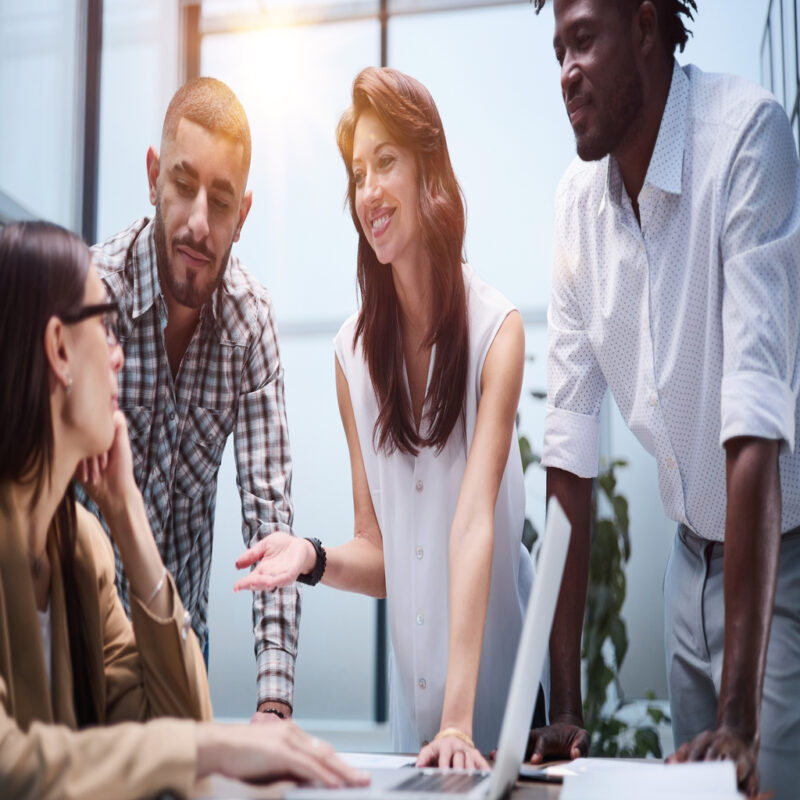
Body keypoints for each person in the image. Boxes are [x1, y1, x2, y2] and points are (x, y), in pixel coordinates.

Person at [527, 2, 800, 798]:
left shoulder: (746, 138)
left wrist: (740, 722)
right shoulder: (577, 208)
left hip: (783, 554)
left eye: (583, 40)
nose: (567, 73)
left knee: (755, 781)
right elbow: (570, 451)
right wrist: (567, 707)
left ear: (645, 27)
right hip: (687, 567)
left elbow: (752, 423)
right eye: (557, 52)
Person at [0, 220, 368, 799]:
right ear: (58, 349)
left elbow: (176, 722)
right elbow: (13, 768)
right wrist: (214, 746)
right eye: (106, 328)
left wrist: (128, 522)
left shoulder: (82, 547)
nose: (119, 357)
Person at [235, 66, 536, 768]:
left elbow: (472, 524)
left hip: (494, 722)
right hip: (420, 736)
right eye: (357, 172)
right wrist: (313, 557)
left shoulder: (500, 333)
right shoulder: (350, 356)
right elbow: (383, 554)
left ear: (430, 169)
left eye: (386, 163)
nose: (368, 190)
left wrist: (459, 723)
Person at [78, 76, 298, 721]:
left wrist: (275, 706)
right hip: (80, 659)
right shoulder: (94, 295)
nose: (199, 223)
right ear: (153, 177)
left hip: (177, 667)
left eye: (221, 201)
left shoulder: (249, 324)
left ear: (243, 214)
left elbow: (270, 523)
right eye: (182, 185)